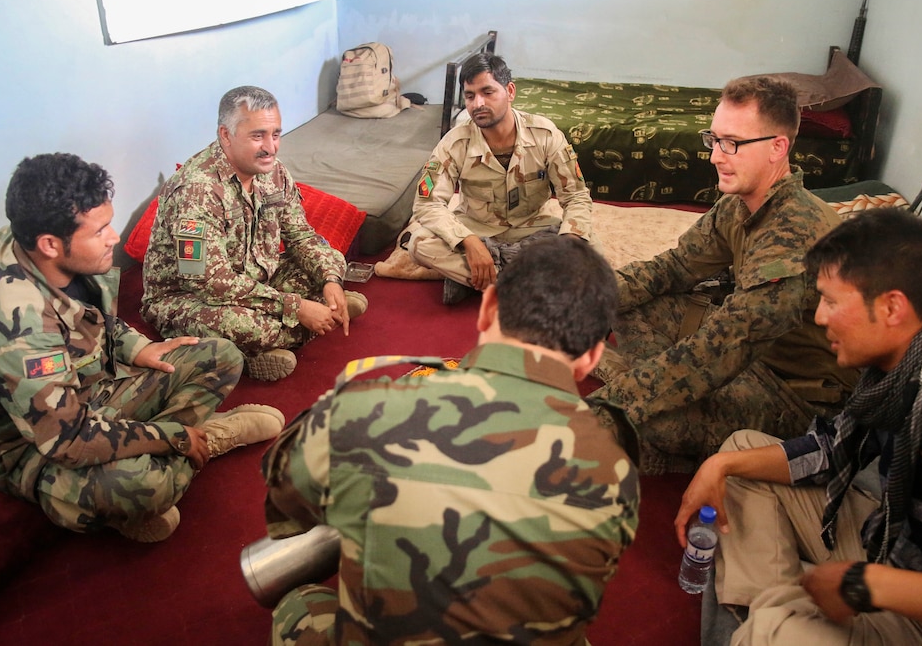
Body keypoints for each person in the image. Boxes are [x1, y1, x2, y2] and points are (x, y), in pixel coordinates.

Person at [675, 208, 922, 645]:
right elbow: (831, 449)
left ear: (891, 307)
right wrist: (720, 465)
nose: (820, 317)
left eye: (830, 300)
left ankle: (773, 629)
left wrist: (870, 585)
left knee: (780, 632)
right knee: (740, 455)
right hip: (897, 542)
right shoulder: (904, 368)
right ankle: (760, 623)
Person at [262, 236, 640, 644]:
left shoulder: (364, 411)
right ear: (592, 357)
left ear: (489, 308)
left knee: (297, 604)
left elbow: (286, 490)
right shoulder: (616, 470)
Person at [0, 154, 284, 543]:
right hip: (34, 443)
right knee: (145, 487)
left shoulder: (38, 239)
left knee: (221, 356)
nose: (115, 237)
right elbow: (66, 438)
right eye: (101, 230)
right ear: (50, 244)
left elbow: (90, 315)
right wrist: (173, 437)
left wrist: (137, 348)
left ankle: (168, 461)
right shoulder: (16, 319)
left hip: (93, 387)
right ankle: (199, 441)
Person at [587, 76, 858, 473]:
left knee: (652, 417)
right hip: (749, 357)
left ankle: (672, 447)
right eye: (713, 140)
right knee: (632, 303)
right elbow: (675, 267)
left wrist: (607, 406)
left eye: (731, 143)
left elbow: (721, 349)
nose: (715, 156)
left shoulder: (796, 234)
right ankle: (647, 398)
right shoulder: (741, 203)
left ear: (777, 148)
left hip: (796, 398)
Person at [141, 86, 367, 381]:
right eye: (258, 135)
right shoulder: (198, 190)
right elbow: (209, 282)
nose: (271, 147)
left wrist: (330, 280)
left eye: (275, 134)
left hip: (255, 279)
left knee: (328, 258)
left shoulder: (274, 172)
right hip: (188, 297)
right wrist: (295, 306)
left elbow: (301, 236)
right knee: (244, 325)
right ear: (226, 135)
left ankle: (314, 313)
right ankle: (266, 346)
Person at [405, 53, 595, 304]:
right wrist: (469, 243)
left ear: (510, 91)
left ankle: (483, 279)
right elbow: (427, 204)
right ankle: (524, 285)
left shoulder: (545, 134)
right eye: (470, 96)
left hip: (531, 227)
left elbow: (576, 196)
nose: (477, 103)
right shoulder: (454, 142)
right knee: (419, 243)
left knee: (590, 251)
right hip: (477, 227)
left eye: (488, 92)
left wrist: (569, 244)